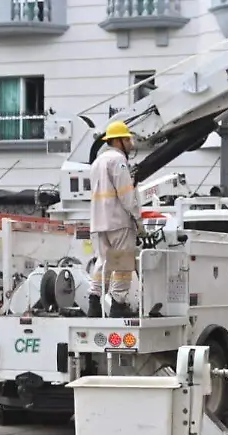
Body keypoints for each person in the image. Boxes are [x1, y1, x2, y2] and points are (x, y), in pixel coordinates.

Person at [87, 120, 141, 318]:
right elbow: (126, 194)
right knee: (121, 263)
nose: (130, 142)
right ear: (118, 141)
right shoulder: (118, 161)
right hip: (118, 221)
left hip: (98, 222)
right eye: (127, 138)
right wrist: (137, 218)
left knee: (102, 262)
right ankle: (118, 304)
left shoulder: (97, 162)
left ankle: (94, 301)